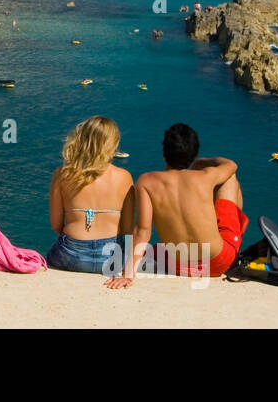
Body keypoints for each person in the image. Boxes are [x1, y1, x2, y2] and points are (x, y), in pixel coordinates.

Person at [105, 123, 246, 288]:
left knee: (156, 249)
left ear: (164, 153)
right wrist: (201, 162)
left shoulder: (146, 182)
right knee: (229, 178)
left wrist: (128, 275)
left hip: (177, 265)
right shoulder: (207, 176)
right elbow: (231, 165)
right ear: (193, 154)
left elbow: (142, 232)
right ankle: (230, 235)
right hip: (218, 263)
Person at [46, 116, 135, 273]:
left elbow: (56, 224)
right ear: (112, 144)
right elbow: (127, 228)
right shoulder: (124, 177)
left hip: (71, 254)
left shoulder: (62, 174)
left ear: (81, 139)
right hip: (111, 257)